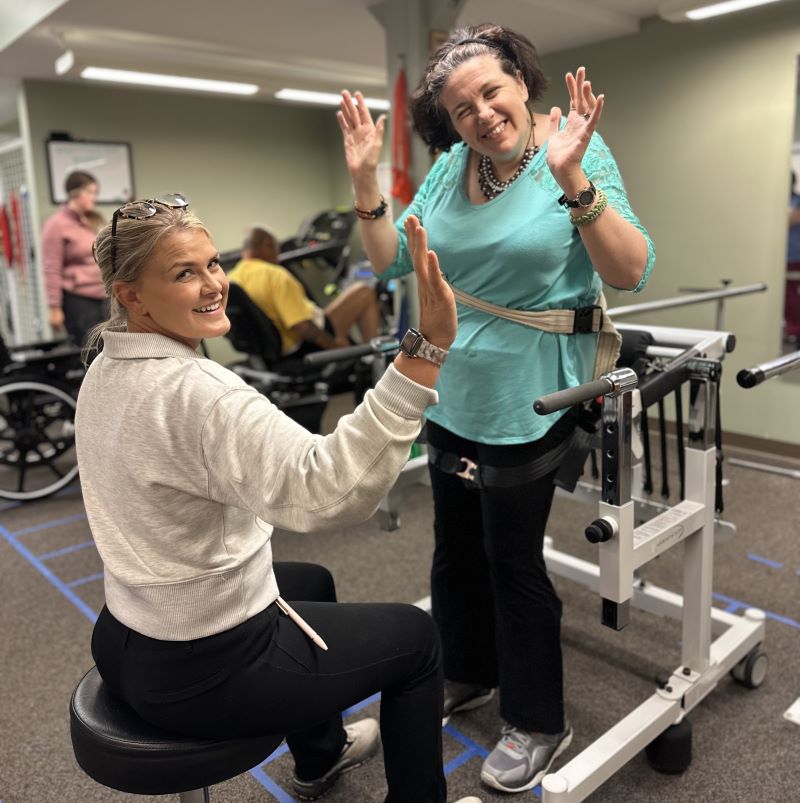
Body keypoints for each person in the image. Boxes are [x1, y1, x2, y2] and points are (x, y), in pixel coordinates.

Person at [75, 195, 481, 803]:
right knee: (418, 639)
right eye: (185, 273)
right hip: (206, 671)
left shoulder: (102, 365)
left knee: (309, 580)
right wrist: (422, 355)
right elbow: (330, 491)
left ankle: (320, 757)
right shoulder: (203, 392)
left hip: (124, 639)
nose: (214, 284)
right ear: (131, 295)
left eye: (214, 264)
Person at [337, 23, 655, 794]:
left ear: (520, 82)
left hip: (532, 390)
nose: (480, 113)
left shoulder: (569, 148)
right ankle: (469, 669)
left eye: (490, 91)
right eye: (461, 106)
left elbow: (633, 268)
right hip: (449, 383)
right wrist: (367, 181)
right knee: (454, 547)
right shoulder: (452, 167)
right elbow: (390, 267)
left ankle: (540, 718)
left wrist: (574, 178)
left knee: (512, 560)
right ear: (449, 124)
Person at [228, 224, 381, 355]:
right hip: (303, 345)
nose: (278, 256)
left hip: (272, 349)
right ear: (267, 244)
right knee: (364, 291)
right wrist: (336, 348)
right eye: (277, 249)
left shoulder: (233, 277)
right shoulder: (275, 274)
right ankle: (372, 355)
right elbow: (302, 326)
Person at [42, 170, 107, 346]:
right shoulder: (56, 225)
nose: (94, 198)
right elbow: (52, 269)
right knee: (91, 352)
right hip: (78, 300)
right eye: (91, 192)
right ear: (76, 194)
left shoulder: (90, 222)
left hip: (102, 296)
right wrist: (54, 308)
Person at [785, 170, 800, 343]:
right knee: (787, 297)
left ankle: (796, 330)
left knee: (792, 296)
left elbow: (791, 220)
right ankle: (792, 328)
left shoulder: (797, 201)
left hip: (795, 257)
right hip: (783, 259)